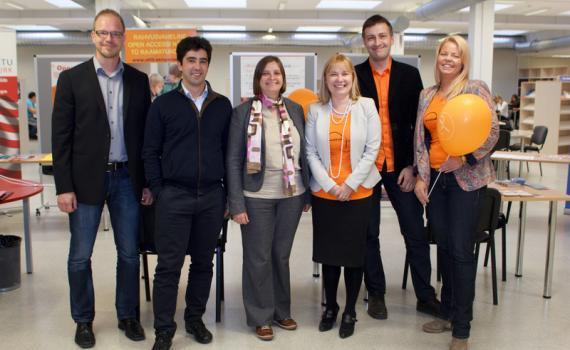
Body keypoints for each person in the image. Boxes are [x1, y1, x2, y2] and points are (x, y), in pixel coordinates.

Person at [51, 9, 152, 349]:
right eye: (103, 33)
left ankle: (127, 315)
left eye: (115, 33)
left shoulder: (138, 82)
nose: (109, 39)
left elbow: (145, 139)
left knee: (128, 254)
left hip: (127, 179)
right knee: (80, 256)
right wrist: (63, 186)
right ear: (92, 36)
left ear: (124, 38)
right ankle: (83, 320)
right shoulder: (71, 80)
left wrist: (148, 181)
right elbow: (60, 138)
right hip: (83, 182)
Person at [142, 36, 232, 350]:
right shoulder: (163, 104)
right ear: (181, 64)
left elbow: (228, 152)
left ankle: (195, 319)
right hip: (174, 197)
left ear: (209, 64)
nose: (197, 66)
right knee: (168, 266)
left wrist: (228, 196)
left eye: (203, 60)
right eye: (191, 60)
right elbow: (150, 151)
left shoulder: (221, 105)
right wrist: (159, 190)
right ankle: (164, 330)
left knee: (203, 263)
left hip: (211, 197)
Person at [413, 35, 499, 350]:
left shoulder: (475, 89)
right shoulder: (428, 94)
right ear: (437, 58)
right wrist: (422, 178)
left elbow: (492, 130)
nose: (448, 59)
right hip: (436, 180)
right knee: (445, 249)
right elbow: (421, 140)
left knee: (462, 252)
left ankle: (461, 330)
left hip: (466, 181)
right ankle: (447, 312)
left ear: (463, 60)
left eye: (455, 54)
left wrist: (465, 156)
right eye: (444, 53)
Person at [355, 14, 440, 319]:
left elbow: (418, 125)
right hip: (366, 168)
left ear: (392, 39)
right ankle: (375, 293)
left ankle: (425, 296)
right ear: (364, 41)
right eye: (371, 37)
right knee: (368, 233)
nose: (377, 42)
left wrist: (413, 167)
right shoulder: (354, 76)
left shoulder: (409, 75)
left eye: (382, 36)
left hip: (400, 167)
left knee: (415, 231)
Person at [226, 56, 311, 341]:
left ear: (284, 78)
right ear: (258, 79)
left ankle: (281, 311)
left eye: (276, 73)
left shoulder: (296, 109)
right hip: (256, 195)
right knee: (258, 257)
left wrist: (308, 192)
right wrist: (236, 203)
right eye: (266, 73)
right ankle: (261, 315)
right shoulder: (243, 112)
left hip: (292, 194)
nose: (272, 77)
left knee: (280, 255)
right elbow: (233, 160)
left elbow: (305, 153)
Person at [306, 53, 381, 339]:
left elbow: (372, 149)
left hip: (358, 193)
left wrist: (349, 184)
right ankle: (331, 307)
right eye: (333, 74)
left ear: (352, 78)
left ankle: (350, 309)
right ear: (326, 79)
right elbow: (310, 151)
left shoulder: (366, 107)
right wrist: (329, 185)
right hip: (325, 195)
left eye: (344, 74)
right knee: (329, 256)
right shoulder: (316, 110)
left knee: (353, 255)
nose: (339, 79)